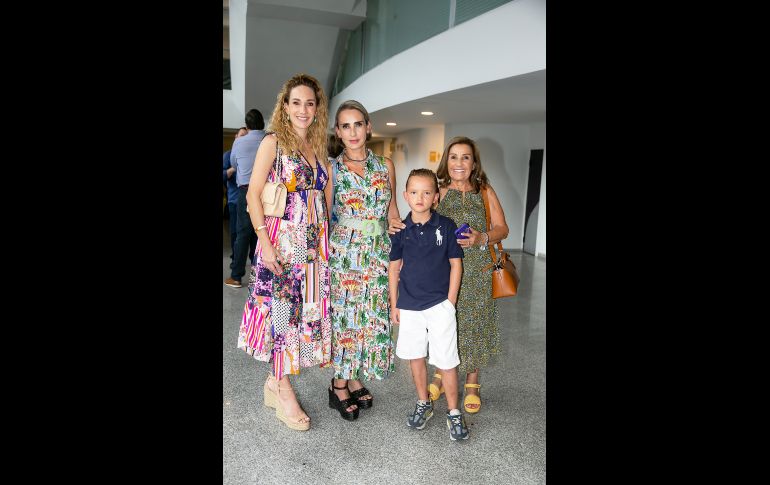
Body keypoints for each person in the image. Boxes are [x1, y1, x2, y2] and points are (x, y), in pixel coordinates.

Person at [235, 73, 331, 431]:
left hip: (311, 249)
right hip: (280, 243)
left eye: (310, 102)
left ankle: (276, 380)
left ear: (317, 108)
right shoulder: (273, 142)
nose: (303, 109)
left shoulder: (318, 147)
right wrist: (265, 241)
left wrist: (325, 243)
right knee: (281, 316)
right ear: (285, 106)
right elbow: (252, 195)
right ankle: (281, 386)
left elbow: (324, 199)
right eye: (296, 102)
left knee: (302, 316)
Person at [389, 137, 509, 415]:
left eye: (465, 157)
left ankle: (472, 383)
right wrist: (396, 223)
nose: (459, 163)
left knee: (474, 326)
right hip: (442, 272)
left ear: (474, 163)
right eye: (454, 157)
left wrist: (482, 237)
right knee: (443, 326)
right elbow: (419, 214)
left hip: (477, 270)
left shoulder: (485, 191)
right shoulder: (438, 190)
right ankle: (442, 375)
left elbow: (503, 228)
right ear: (446, 161)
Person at [324, 100, 400, 421]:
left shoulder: (386, 165)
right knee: (348, 320)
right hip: (345, 256)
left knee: (370, 318)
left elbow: (392, 212)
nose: (352, 132)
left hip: (378, 254)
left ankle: (355, 374)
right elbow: (326, 217)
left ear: (368, 127)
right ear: (338, 132)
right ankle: (338, 384)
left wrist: (402, 248)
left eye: (358, 124)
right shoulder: (333, 169)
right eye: (345, 126)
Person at [388, 168, 469, 441]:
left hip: (439, 306)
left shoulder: (446, 225)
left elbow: (455, 264)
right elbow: (394, 268)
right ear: (405, 195)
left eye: (426, 192)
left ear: (435, 197)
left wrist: (451, 302)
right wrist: (394, 303)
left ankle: (454, 411)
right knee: (415, 356)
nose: (419, 197)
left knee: (446, 360)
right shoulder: (400, 229)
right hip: (409, 305)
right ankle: (423, 402)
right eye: (414, 192)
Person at [225, 109, 265, 288]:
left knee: (242, 233)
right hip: (267, 192)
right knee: (263, 231)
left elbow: (234, 163)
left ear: (247, 125)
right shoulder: (270, 139)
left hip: (246, 191)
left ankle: (236, 276)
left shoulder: (240, 142)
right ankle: (261, 276)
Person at [223, 126, 248, 260]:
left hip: (248, 199)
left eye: (246, 136)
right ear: (236, 137)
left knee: (249, 232)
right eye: (242, 135)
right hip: (233, 199)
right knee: (235, 232)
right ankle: (236, 257)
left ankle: (250, 257)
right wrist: (231, 170)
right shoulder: (228, 155)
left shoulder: (250, 154)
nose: (244, 139)